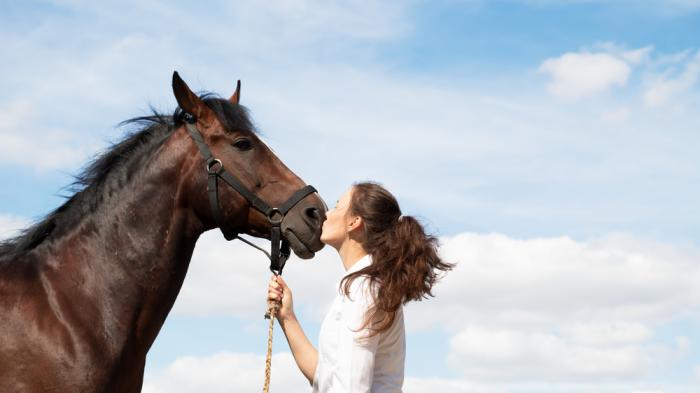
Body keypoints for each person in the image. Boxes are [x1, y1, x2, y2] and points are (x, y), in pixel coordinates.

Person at [267, 181, 453, 392]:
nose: (327, 214)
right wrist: (287, 317)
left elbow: (349, 387)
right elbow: (325, 378)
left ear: (354, 222)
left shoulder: (363, 289)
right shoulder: (365, 284)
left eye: (337, 206)